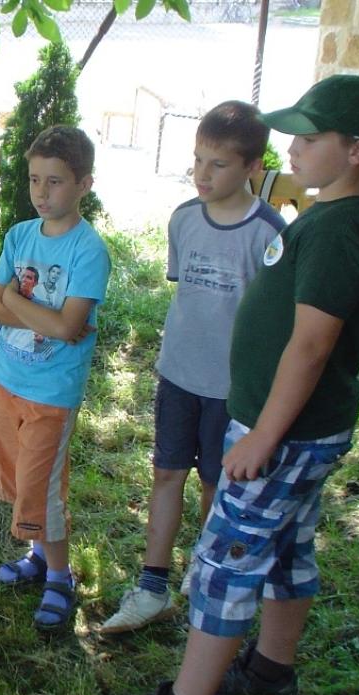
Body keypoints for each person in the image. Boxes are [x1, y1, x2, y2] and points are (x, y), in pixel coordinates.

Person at [110, 74, 359, 695]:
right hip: (300, 429)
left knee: (225, 562)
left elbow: (313, 345)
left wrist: (262, 436)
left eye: (311, 138)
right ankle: (270, 668)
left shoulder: (341, 229)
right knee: (287, 549)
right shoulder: (329, 213)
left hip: (282, 432)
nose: (293, 148)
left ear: (358, 150)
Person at [102, 101, 286, 634]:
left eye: (218, 165)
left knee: (215, 485)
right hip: (178, 375)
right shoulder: (183, 219)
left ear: (253, 167)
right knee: (166, 473)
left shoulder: (270, 233)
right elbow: (190, 295)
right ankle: (151, 585)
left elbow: (270, 321)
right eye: (197, 160)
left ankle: (203, 573)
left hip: (234, 391)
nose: (202, 175)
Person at [0, 125, 111, 631]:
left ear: (84, 184)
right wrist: (35, 312)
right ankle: (39, 557)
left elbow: (66, 325)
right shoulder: (18, 235)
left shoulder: (88, 251)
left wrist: (18, 298)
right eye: (35, 179)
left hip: (52, 393)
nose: (41, 192)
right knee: (18, 480)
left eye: (55, 181)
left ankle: (60, 578)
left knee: (44, 488)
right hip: (7, 382)